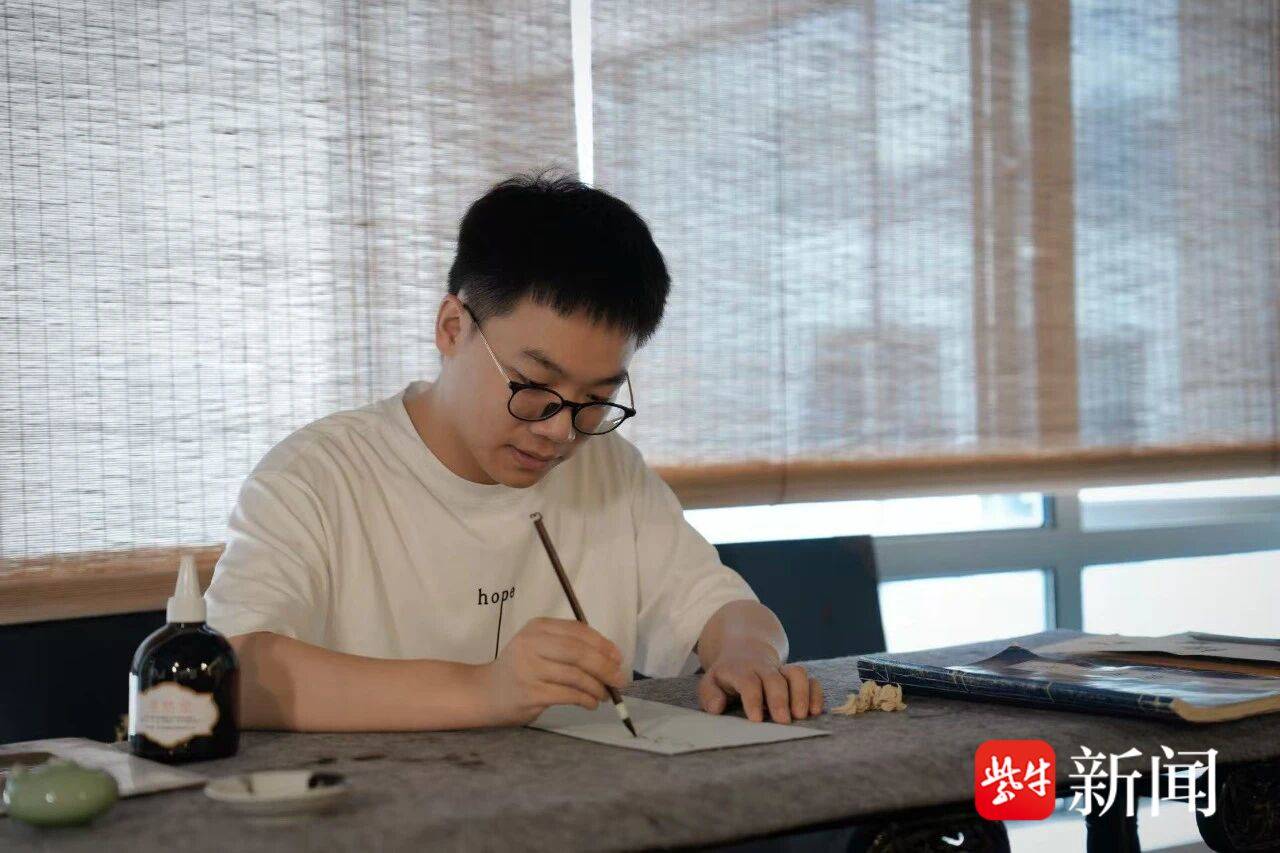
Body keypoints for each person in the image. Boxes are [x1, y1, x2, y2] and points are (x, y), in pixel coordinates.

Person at [205, 172, 824, 731]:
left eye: (595, 400)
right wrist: (485, 690)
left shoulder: (609, 472)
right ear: (452, 328)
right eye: (532, 385)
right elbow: (234, 673)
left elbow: (724, 610)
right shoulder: (317, 476)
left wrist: (748, 656)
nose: (559, 432)